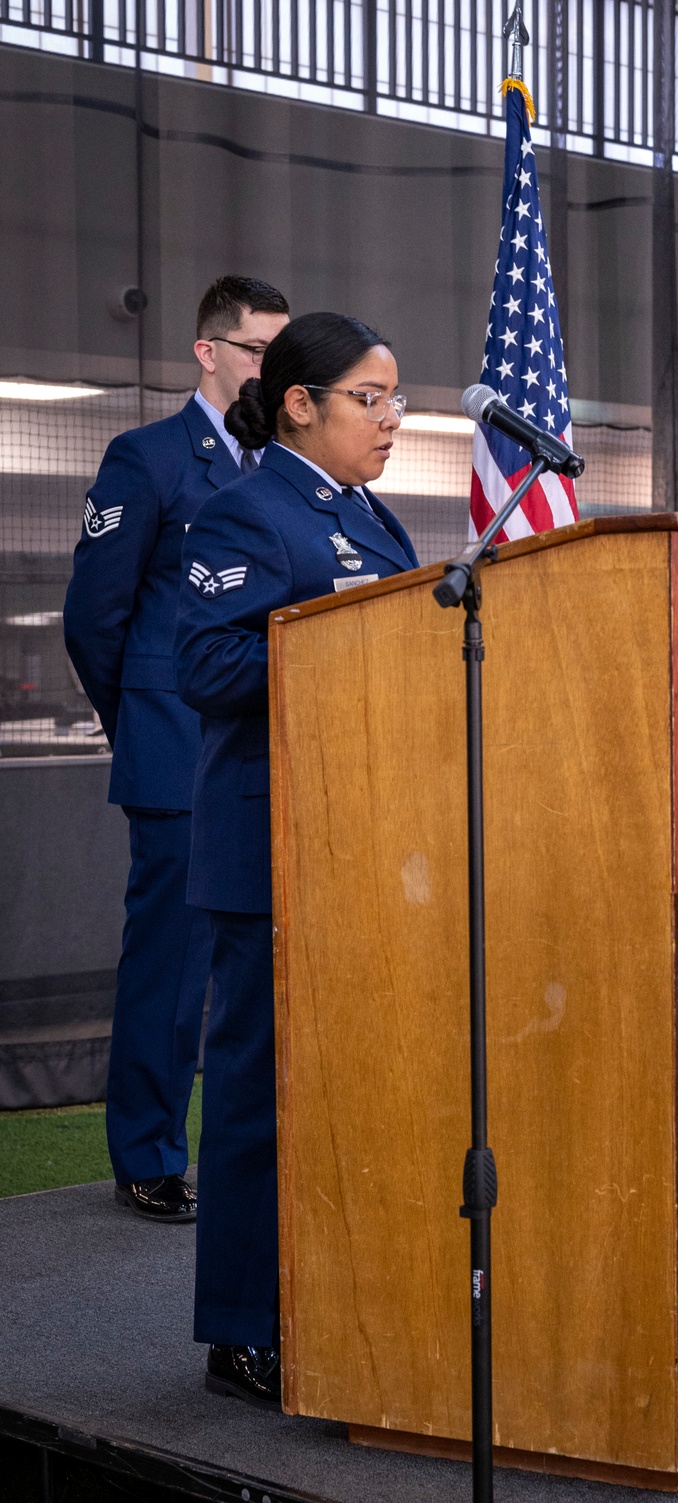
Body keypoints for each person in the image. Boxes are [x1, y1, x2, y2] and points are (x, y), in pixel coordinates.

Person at [174, 311, 418, 1406]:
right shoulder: (242, 510)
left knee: (361, 1093)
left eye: (397, 397)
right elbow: (208, 667)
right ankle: (241, 1327)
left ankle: (350, 1297)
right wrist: (340, 624)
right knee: (257, 1096)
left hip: (372, 845)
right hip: (273, 851)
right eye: (372, 398)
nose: (394, 418)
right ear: (301, 404)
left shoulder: (378, 519)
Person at [64, 276, 290, 1223]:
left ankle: (248, 1152)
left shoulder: (282, 465)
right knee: (171, 966)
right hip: (174, 752)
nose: (272, 374)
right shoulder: (148, 458)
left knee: (254, 968)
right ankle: (148, 1152)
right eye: (257, 354)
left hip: (266, 752)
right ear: (208, 353)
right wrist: (143, 727)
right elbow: (93, 619)